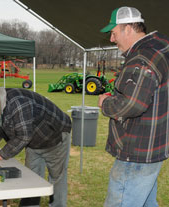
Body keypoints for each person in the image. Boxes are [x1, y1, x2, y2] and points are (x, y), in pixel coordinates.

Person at [98, 6, 169, 207]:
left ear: (128, 28)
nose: (112, 39)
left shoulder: (142, 58)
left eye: (113, 33)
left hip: (137, 150)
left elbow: (133, 104)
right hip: (155, 148)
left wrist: (106, 104)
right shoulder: (162, 48)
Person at [0, 87, 71, 207]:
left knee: (56, 178)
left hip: (54, 136)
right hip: (33, 143)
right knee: (32, 178)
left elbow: (24, 136)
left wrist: (0, 155)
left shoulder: (18, 103)